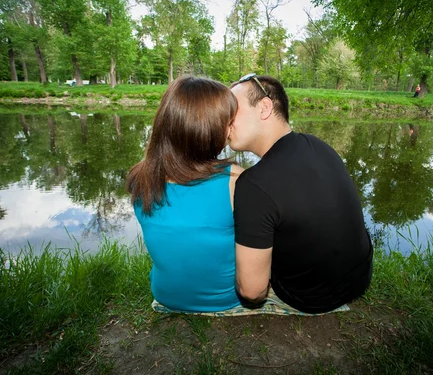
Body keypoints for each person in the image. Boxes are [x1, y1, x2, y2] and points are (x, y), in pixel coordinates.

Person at [229, 74, 373, 314]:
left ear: (264, 108)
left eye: (232, 110)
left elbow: (252, 293)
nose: (225, 119)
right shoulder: (317, 144)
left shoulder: (254, 184)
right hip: (360, 277)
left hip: (311, 296)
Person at [126, 75, 244, 313]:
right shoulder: (235, 180)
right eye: (227, 122)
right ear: (205, 129)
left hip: (166, 295)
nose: (231, 129)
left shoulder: (141, 178)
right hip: (225, 299)